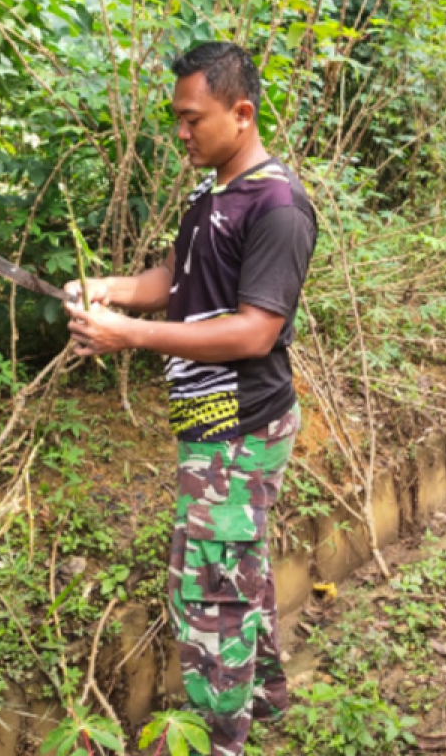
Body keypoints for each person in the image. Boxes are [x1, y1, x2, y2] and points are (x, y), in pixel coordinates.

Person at [63, 42, 317, 756]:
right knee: (237, 568)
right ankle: (263, 705)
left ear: (242, 113)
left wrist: (132, 340)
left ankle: (223, 740)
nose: (180, 132)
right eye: (176, 118)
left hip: (242, 425)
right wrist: (112, 293)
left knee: (211, 595)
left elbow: (254, 331)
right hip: (207, 423)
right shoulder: (211, 193)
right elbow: (175, 276)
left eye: (191, 118)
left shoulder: (278, 206)